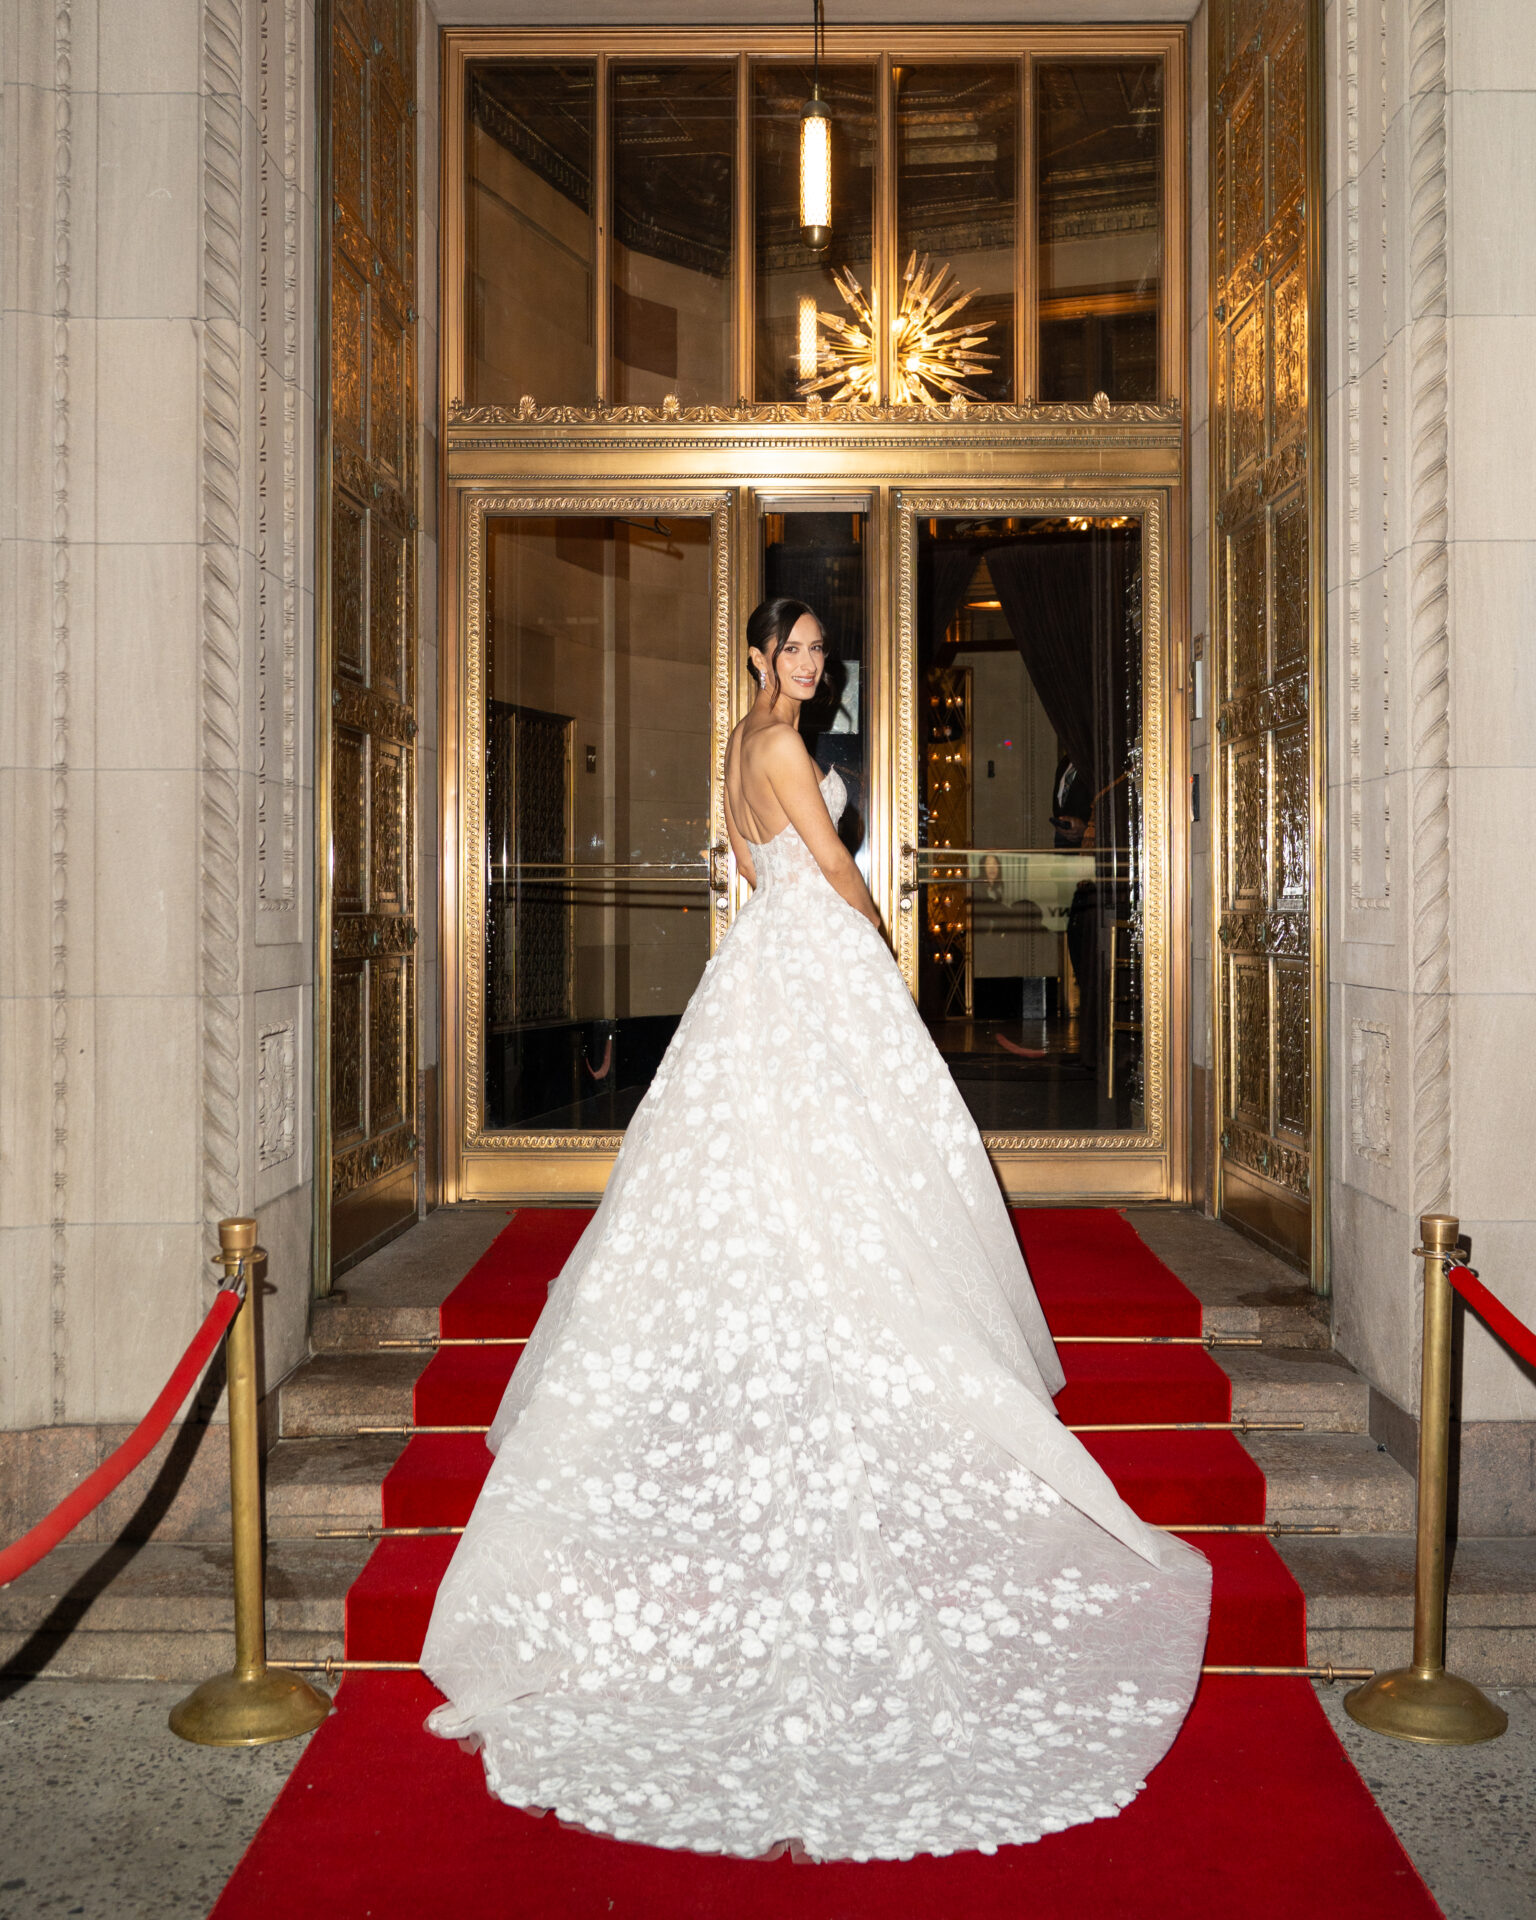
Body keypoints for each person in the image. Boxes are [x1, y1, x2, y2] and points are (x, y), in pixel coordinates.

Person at [421, 599, 1211, 1863]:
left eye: (817, 650)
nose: (810, 662)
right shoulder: (784, 747)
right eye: (792, 648)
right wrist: (882, 941)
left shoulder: (737, 744)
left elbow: (748, 869)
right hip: (814, 963)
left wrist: (814, 913)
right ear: (754, 653)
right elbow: (832, 870)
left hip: (757, 972)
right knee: (855, 1171)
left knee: (776, 1173)